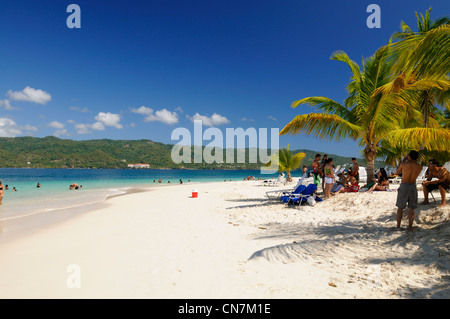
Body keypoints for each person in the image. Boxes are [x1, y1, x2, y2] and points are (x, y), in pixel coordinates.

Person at [395, 150, 423, 231]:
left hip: (404, 185)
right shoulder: (420, 167)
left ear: (409, 156)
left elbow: (398, 172)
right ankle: (410, 227)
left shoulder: (404, 164)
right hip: (413, 186)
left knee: (400, 208)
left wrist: (404, 160)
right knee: (411, 209)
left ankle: (398, 226)